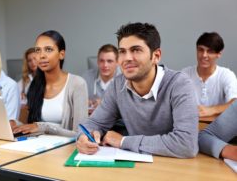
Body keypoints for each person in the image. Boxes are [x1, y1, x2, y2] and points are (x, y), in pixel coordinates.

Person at [76, 22, 198, 158]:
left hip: (172, 168)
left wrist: (123, 141)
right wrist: (83, 137)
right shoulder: (118, 85)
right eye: (122, 51)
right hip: (135, 165)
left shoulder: (180, 84)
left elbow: (186, 145)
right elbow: (94, 123)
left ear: (156, 56)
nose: (127, 58)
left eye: (136, 50)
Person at [12, 30, 88, 137]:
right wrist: (14, 124)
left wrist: (43, 127)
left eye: (48, 49)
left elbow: (81, 134)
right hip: (36, 146)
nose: (41, 55)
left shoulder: (77, 84)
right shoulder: (34, 85)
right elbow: (28, 124)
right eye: (38, 50)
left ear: (61, 54)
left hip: (66, 149)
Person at [182, 32, 237, 117]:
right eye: (200, 50)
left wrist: (212, 110)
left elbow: (235, 102)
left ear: (218, 54)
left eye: (210, 51)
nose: (204, 55)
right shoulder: (185, 74)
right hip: (190, 126)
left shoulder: (226, 75)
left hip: (218, 128)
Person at [82, 44, 120, 114]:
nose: (105, 65)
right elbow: (76, 101)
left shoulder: (125, 79)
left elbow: (129, 107)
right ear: (97, 62)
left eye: (109, 61)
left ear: (117, 62)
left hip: (116, 122)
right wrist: (83, 102)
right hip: (92, 120)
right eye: (101, 61)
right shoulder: (86, 77)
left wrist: (105, 104)